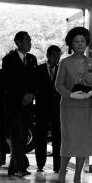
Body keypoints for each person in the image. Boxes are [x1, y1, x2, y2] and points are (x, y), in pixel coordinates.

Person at [55, 27, 92, 183]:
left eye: (83, 41)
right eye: (76, 41)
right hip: (69, 107)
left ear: (87, 43)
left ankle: (77, 177)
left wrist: (91, 92)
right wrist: (71, 95)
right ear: (71, 44)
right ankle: (62, 172)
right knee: (69, 141)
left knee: (83, 143)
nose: (80, 44)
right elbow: (58, 84)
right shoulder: (65, 62)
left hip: (86, 108)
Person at [2, 31, 38, 177]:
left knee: (23, 137)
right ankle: (21, 167)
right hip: (14, 105)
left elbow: (35, 80)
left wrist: (32, 94)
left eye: (30, 40)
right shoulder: (8, 59)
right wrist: (22, 96)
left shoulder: (32, 59)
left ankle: (13, 168)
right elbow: (9, 82)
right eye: (27, 40)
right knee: (16, 134)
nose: (30, 43)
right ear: (18, 42)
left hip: (28, 105)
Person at [35, 45, 62, 173]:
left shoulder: (61, 70)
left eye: (59, 57)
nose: (57, 59)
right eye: (55, 57)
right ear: (48, 56)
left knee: (58, 138)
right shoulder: (38, 69)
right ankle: (40, 164)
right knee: (41, 137)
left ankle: (58, 166)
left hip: (57, 109)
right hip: (42, 109)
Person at [0, 68, 9, 167]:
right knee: (3, 136)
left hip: (0, 107)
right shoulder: (11, 75)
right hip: (6, 107)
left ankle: (2, 159)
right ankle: (2, 159)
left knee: (1, 135)